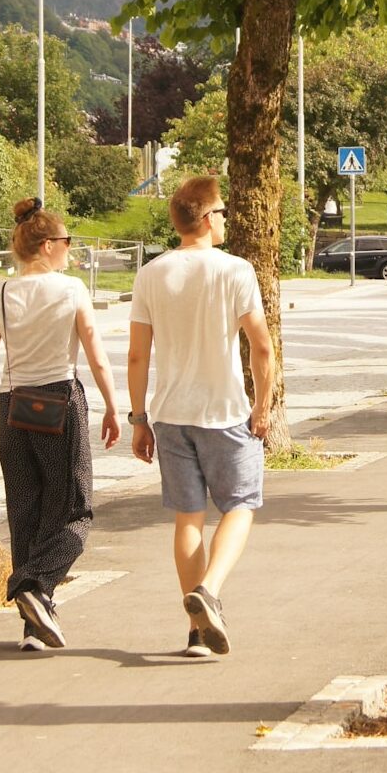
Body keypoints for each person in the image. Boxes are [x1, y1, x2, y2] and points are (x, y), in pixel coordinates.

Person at [0, 198, 121, 652]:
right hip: (59, 402)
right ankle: (36, 583)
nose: (70, 249)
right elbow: (96, 356)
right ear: (47, 245)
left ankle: (34, 625)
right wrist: (113, 406)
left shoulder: (0, 294)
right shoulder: (70, 290)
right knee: (74, 509)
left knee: (25, 513)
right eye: (66, 242)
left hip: (13, 408)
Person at [127, 176, 275, 657]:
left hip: (171, 414)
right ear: (208, 218)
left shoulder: (151, 273)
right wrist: (262, 406)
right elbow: (261, 347)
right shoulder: (236, 270)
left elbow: (136, 357)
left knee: (187, 518)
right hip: (224, 411)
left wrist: (138, 418)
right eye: (223, 212)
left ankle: (196, 635)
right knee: (240, 505)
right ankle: (208, 592)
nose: (226, 219)